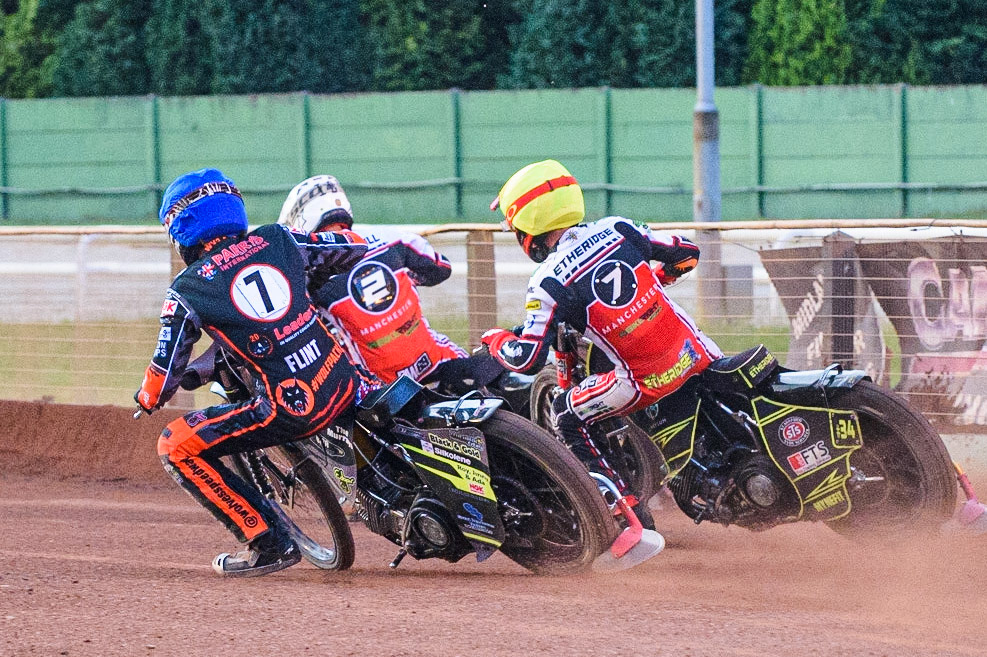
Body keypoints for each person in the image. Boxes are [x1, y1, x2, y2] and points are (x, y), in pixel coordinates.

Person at [134, 168, 370, 577]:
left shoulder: (187, 289)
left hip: (291, 406)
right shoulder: (278, 238)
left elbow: (165, 369)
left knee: (175, 445)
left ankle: (268, 544)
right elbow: (353, 246)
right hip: (344, 380)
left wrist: (147, 397)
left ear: (182, 230)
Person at [482, 159, 723, 492]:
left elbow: (528, 360)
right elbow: (688, 254)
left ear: (528, 225)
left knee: (565, 413)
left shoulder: (546, 281)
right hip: (696, 353)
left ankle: (618, 503)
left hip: (642, 383)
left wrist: (495, 339)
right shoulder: (618, 227)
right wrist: (655, 281)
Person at [277, 175, 505, 392]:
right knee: (493, 386)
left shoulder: (305, 276)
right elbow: (440, 268)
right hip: (437, 360)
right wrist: (402, 280)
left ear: (301, 219)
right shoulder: (392, 236)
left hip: (382, 389)